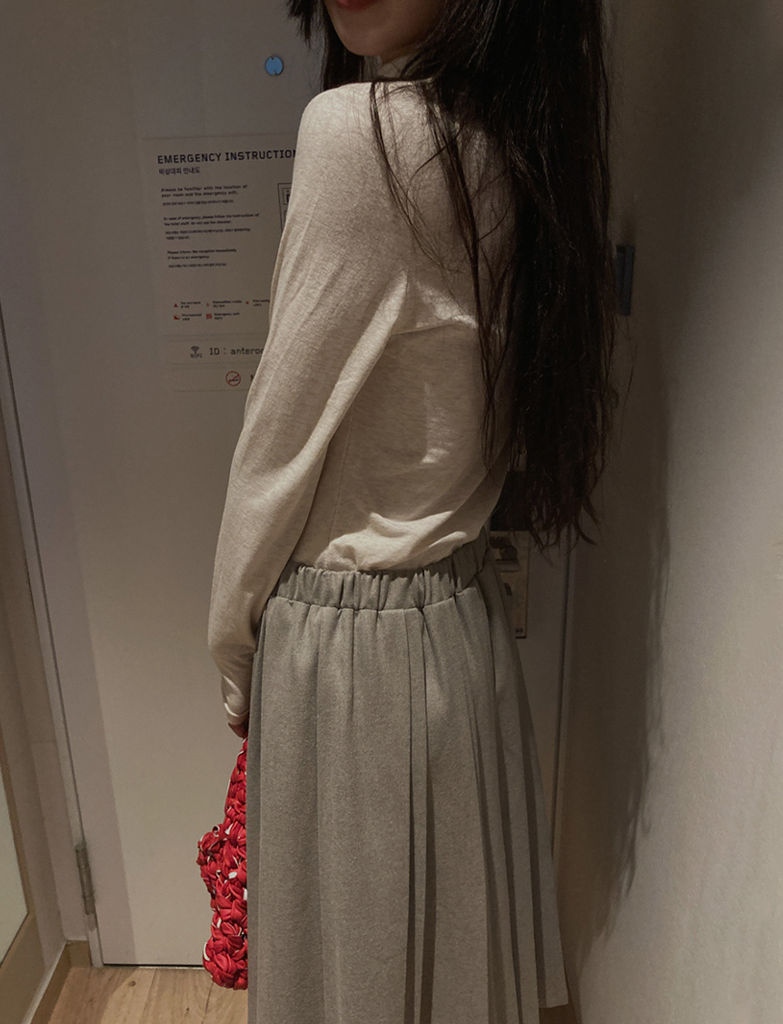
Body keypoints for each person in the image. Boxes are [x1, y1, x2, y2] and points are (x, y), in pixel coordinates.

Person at [207, 0, 618, 1020]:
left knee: (342, 989)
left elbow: (279, 437)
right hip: (458, 635)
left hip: (344, 657)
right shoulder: (521, 140)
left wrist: (232, 646)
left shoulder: (359, 135)